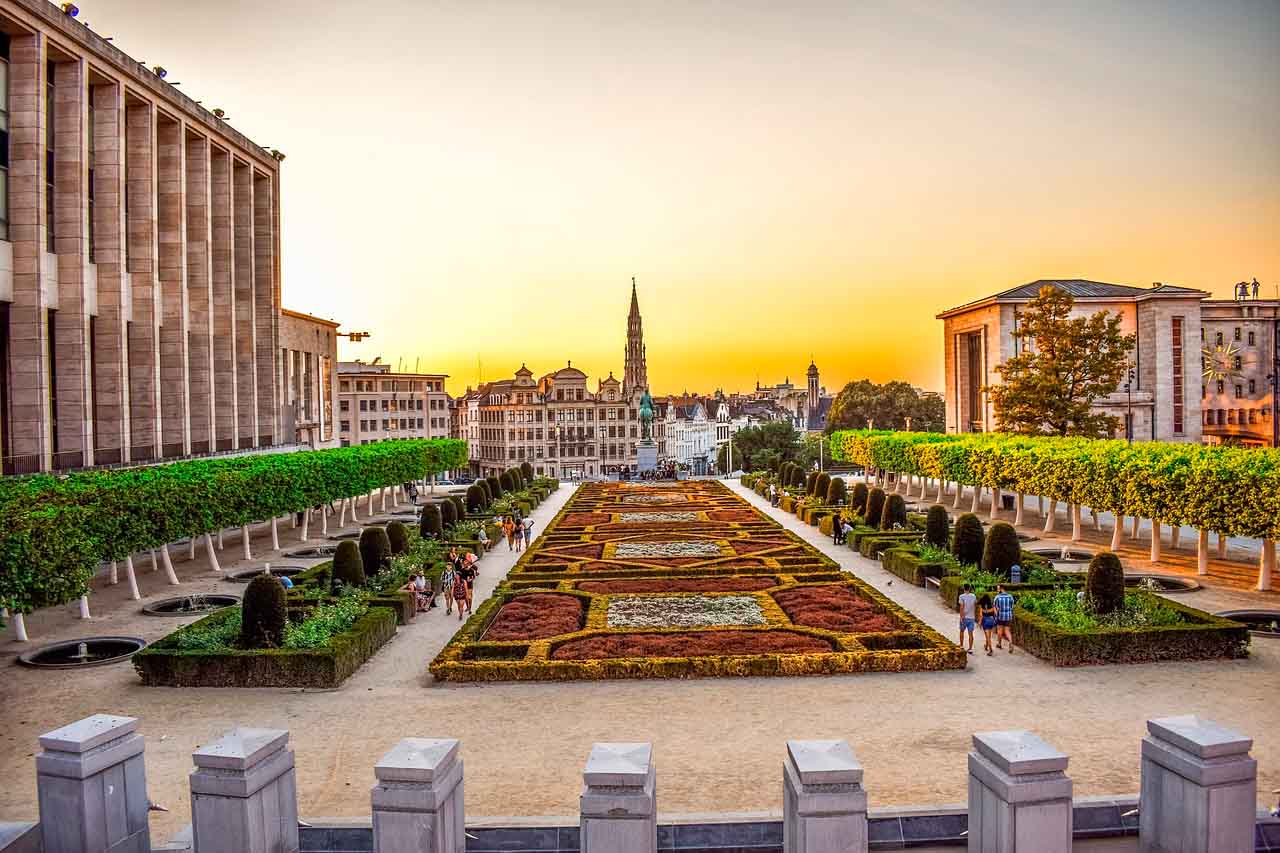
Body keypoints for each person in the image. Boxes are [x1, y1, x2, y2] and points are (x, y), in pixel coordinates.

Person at [993, 584, 1015, 653]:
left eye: (998, 589)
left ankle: (999, 644)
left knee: (999, 630)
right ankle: (1010, 642)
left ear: (1002, 588)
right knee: (1007, 630)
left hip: (1000, 616)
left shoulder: (997, 597)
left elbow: (995, 607)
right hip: (1008, 616)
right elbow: (1012, 606)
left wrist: (996, 615)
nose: (997, 590)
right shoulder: (1010, 596)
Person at [957, 584, 977, 655]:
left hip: (964, 617)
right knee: (970, 633)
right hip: (972, 618)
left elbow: (961, 607)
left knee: (962, 631)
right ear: (969, 588)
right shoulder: (974, 596)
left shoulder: (961, 596)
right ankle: (970, 648)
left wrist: (961, 617)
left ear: (964, 588)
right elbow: (974, 606)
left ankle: (961, 645)